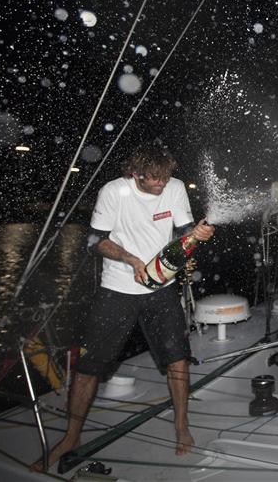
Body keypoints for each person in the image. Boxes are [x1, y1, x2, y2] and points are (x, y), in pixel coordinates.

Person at [36, 144, 215, 470]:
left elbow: (183, 230)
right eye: (154, 180)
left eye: (166, 178)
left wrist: (196, 234)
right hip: (117, 289)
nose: (162, 185)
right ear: (135, 174)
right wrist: (131, 258)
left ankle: (181, 426)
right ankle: (71, 436)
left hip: (161, 288)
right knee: (90, 366)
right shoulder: (114, 192)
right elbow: (97, 240)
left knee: (177, 358)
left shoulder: (173, 188)